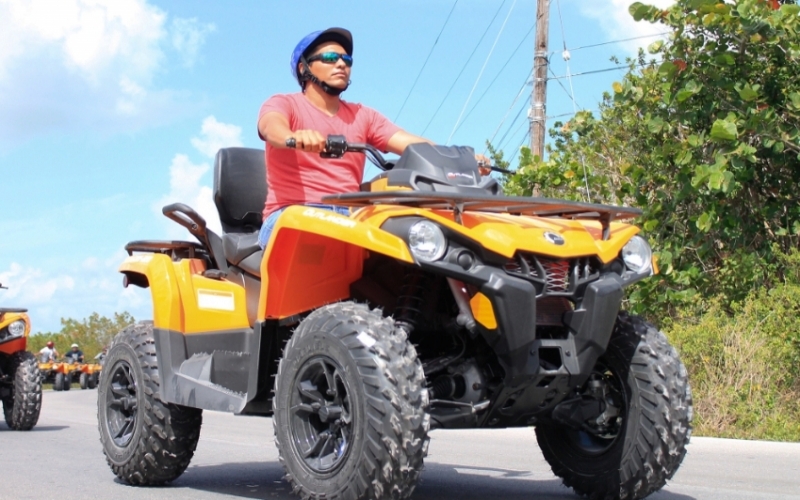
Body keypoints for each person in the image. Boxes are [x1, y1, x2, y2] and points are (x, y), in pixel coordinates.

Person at [256, 27, 489, 249]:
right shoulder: (284, 103)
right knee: (322, 241)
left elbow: (411, 143)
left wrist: (460, 161)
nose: (341, 64)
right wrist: (292, 137)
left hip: (351, 216)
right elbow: (271, 127)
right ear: (303, 68)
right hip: (292, 214)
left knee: (416, 240)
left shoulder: (362, 115)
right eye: (330, 58)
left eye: (347, 60)